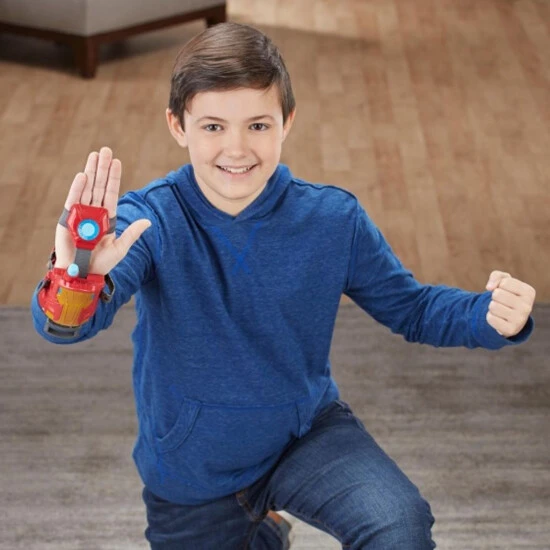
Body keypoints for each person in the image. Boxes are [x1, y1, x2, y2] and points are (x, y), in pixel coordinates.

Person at [31, 21, 537, 550]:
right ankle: (267, 533)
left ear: (286, 122)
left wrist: (486, 315)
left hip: (303, 437)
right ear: (177, 125)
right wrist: (78, 274)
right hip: (192, 471)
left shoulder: (333, 219)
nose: (236, 149)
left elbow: (412, 309)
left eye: (257, 125)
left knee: (399, 526)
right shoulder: (146, 220)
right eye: (212, 126)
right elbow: (64, 326)